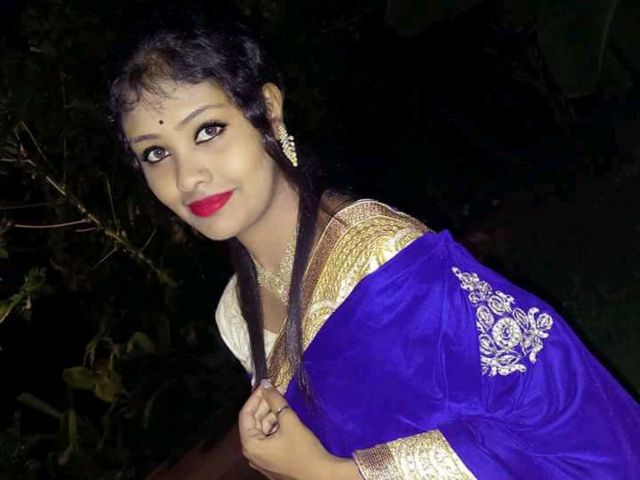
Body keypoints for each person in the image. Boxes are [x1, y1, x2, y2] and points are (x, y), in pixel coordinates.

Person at [107, 6, 640, 479]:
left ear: (268, 110)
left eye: (207, 130)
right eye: (156, 153)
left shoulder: (384, 264)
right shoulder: (234, 311)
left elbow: (557, 419)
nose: (188, 177)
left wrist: (326, 474)